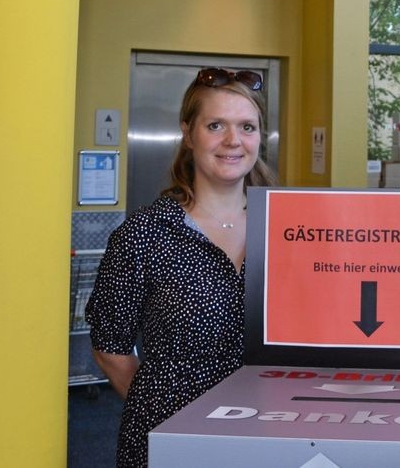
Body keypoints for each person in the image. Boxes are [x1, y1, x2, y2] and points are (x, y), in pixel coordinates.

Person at [85, 67, 277, 467]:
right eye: (215, 125)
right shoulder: (145, 233)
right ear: (188, 134)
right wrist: (165, 406)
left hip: (270, 438)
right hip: (170, 439)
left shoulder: (287, 230)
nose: (233, 141)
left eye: (247, 126)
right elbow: (110, 348)